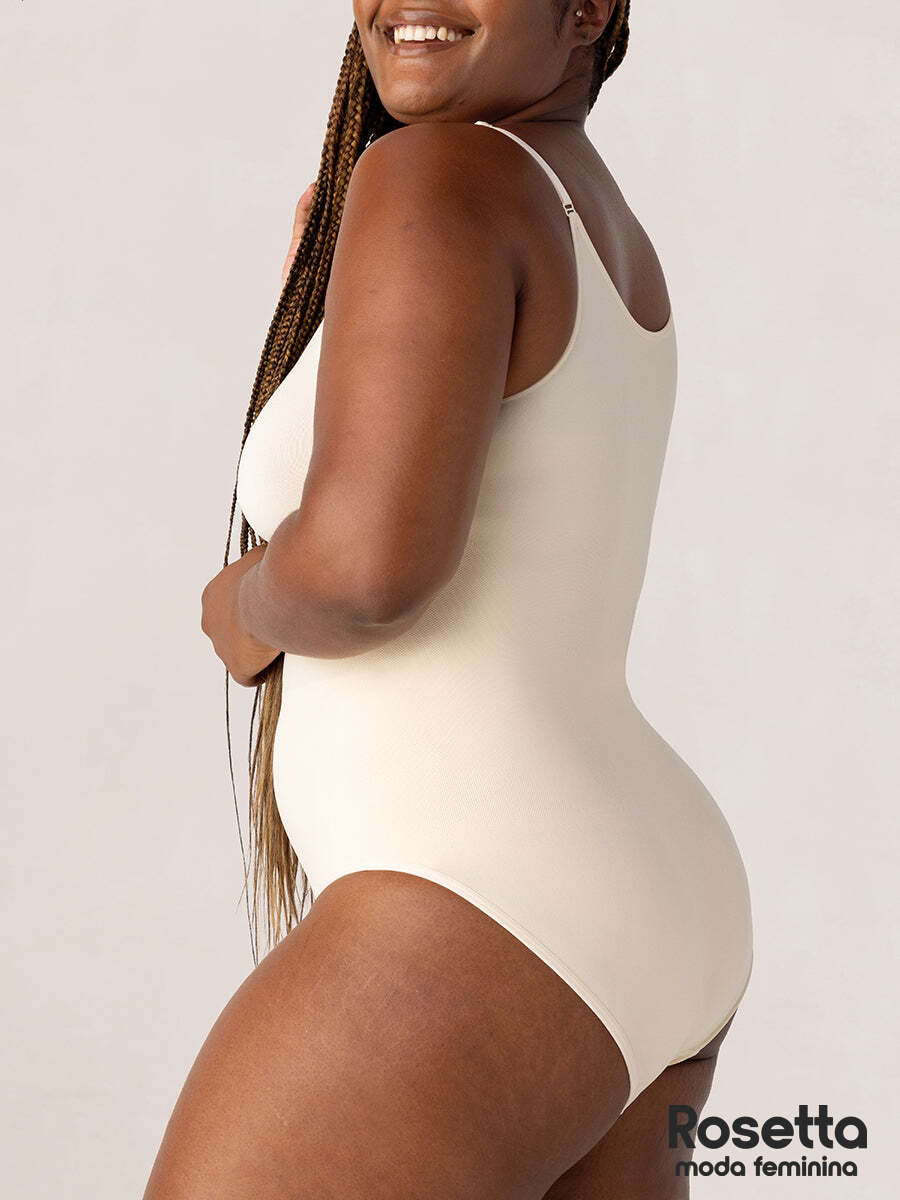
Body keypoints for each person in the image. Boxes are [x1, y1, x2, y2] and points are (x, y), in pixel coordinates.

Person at [149, 3, 754, 1196]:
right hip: (642, 896)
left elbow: (367, 572)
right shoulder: (579, 207)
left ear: (589, 8)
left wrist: (245, 608)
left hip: (491, 894)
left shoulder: (443, 174)